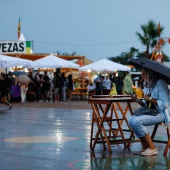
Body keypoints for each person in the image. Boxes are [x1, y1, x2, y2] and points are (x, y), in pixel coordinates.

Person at [128, 67, 170, 156]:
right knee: (131, 120)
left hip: (162, 113)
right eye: (141, 74)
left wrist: (150, 98)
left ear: (150, 73)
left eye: (144, 74)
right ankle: (145, 147)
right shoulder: (147, 84)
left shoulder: (160, 83)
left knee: (136, 121)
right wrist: (137, 100)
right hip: (152, 111)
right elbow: (146, 104)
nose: (142, 76)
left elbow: (164, 105)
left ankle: (152, 147)